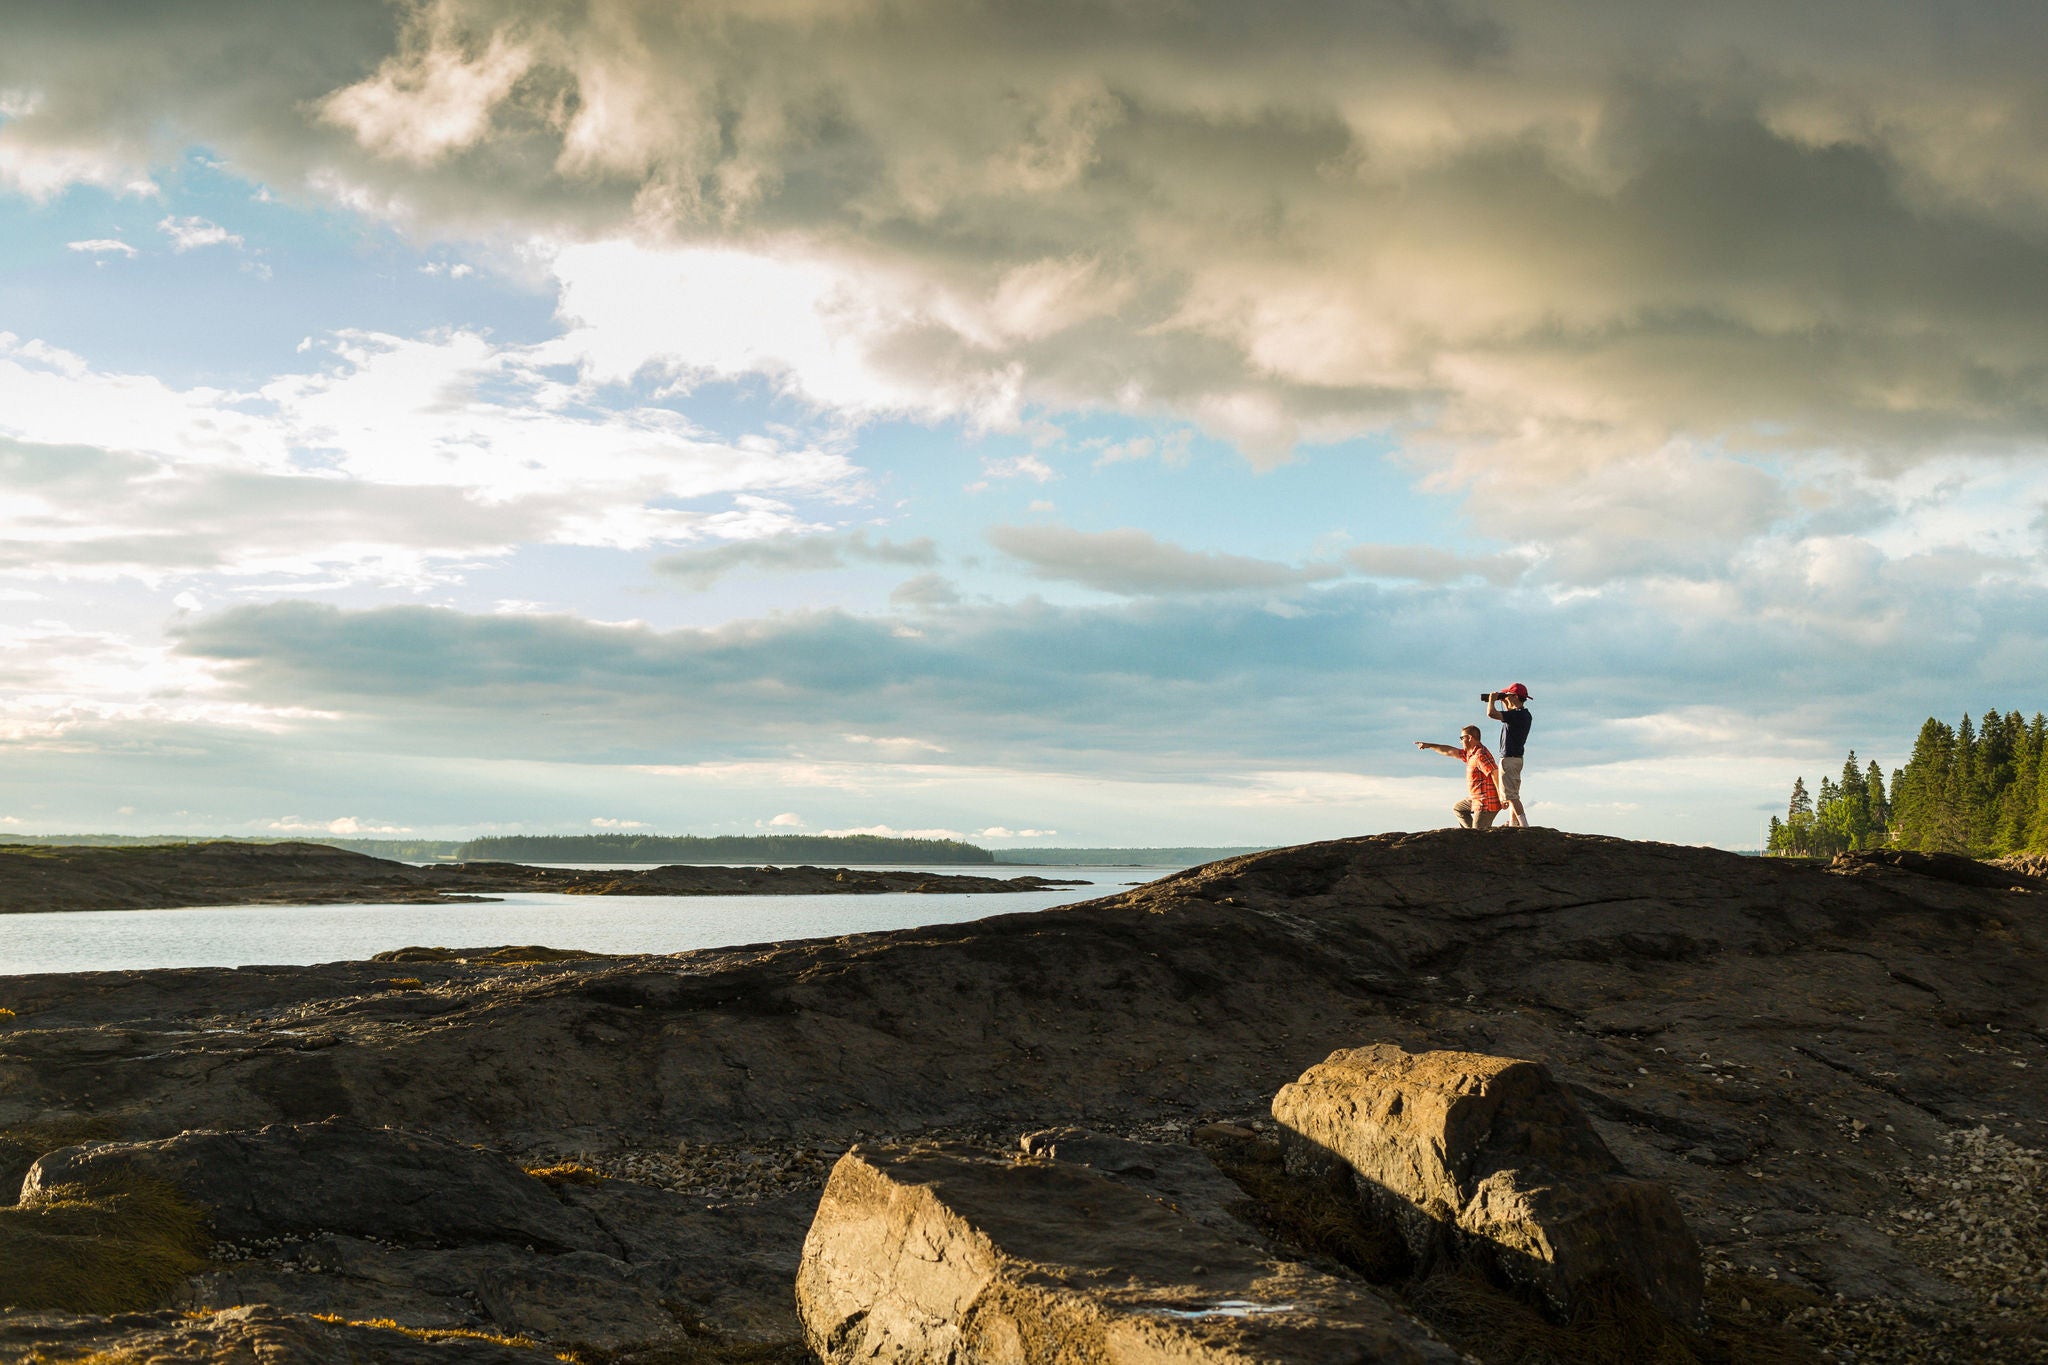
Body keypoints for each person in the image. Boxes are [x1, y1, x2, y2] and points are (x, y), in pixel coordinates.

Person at [1415, 725, 1504, 830]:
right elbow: (1449, 751)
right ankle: (1471, 832)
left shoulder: (1480, 755)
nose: (1460, 741)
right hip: (1476, 799)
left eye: (1462, 738)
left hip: (1486, 802)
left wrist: (1502, 796)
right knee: (1459, 808)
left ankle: (1475, 835)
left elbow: (1494, 772)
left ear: (1469, 738)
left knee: (1478, 837)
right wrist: (1429, 745)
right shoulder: (1470, 754)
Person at [1486, 683, 1533, 828]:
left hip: (1509, 759)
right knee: (1513, 794)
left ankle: (1524, 825)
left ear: (1514, 696)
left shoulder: (1516, 715)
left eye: (1507, 695)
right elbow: (1508, 715)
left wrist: (1492, 700)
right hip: (1517, 758)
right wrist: (1506, 701)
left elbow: (1491, 714)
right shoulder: (1524, 714)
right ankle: (1514, 823)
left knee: (1511, 796)